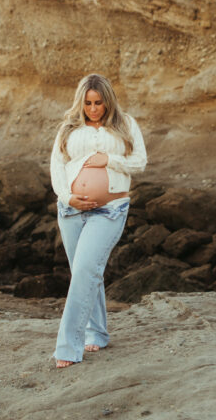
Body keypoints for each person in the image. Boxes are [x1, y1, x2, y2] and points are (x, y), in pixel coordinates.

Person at [50, 73, 147, 369]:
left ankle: (68, 346)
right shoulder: (68, 128)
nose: (94, 109)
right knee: (86, 272)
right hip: (70, 211)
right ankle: (98, 332)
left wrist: (110, 160)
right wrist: (68, 198)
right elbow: (57, 167)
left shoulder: (125, 124)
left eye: (99, 103)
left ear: (108, 101)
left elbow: (140, 162)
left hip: (110, 210)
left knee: (84, 271)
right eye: (88, 103)